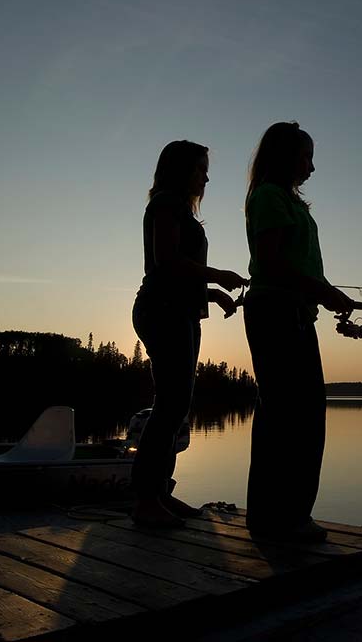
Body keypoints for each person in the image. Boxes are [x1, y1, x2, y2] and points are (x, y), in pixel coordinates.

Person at [242, 121, 359, 541]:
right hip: (276, 312)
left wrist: (325, 294)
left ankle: (279, 516)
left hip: (292, 313)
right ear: (286, 156)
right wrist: (325, 292)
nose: (311, 167)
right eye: (307, 156)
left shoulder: (287, 202)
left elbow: (294, 266)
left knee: (294, 416)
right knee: (293, 417)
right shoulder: (270, 197)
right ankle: (281, 519)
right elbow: (271, 263)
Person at [131, 140, 248, 528]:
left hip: (178, 311)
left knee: (176, 406)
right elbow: (166, 263)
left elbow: (181, 272)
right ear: (180, 170)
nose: (207, 176)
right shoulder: (165, 204)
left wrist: (212, 293)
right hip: (163, 312)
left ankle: (160, 493)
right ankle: (147, 501)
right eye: (200, 168)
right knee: (170, 406)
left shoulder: (177, 209)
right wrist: (219, 276)